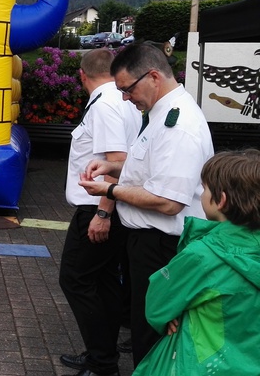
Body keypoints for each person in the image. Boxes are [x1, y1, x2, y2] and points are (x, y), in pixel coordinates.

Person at [79, 44, 214, 367]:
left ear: (153, 76)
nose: (126, 98)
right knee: (144, 328)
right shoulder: (161, 114)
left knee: (152, 338)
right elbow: (152, 171)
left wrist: (110, 190)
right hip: (148, 243)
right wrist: (114, 168)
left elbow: (168, 201)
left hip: (162, 246)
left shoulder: (178, 125)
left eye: (128, 89)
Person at [133, 150, 260, 376]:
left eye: (204, 189)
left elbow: (159, 302)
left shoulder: (202, 255)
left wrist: (170, 314)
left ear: (221, 201)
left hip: (201, 365)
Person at [58, 48, 142, 376]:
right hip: (109, 204)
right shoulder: (120, 101)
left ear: (82, 75)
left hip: (98, 206)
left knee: (75, 279)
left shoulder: (106, 104)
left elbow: (116, 161)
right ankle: (103, 355)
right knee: (104, 279)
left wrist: (103, 213)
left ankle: (103, 362)